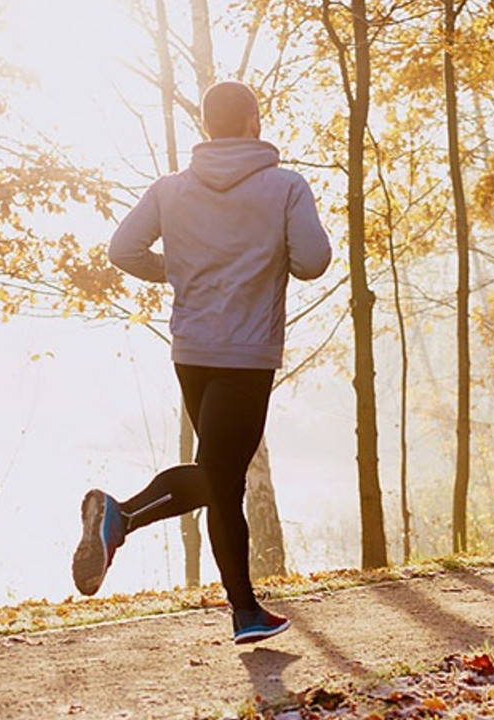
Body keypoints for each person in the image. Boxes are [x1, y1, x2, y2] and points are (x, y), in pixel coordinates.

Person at [72, 81, 331, 645]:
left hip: (191, 350)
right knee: (222, 474)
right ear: (254, 122)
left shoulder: (170, 189)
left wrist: (184, 268)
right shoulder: (285, 187)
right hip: (246, 353)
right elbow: (312, 261)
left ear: (209, 127)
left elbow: (123, 251)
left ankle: (243, 610)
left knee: (220, 475)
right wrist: (262, 257)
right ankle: (126, 518)